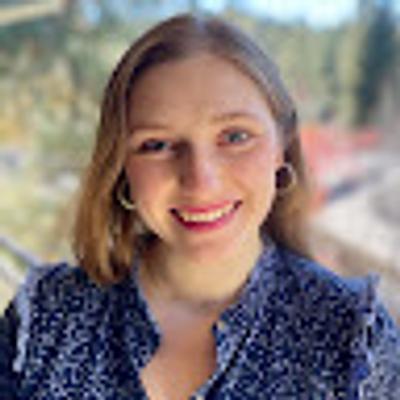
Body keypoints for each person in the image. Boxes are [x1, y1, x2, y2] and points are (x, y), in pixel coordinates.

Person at [1, 13, 400, 400]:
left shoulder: (352, 342)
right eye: (157, 144)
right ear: (121, 164)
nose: (200, 179)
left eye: (235, 136)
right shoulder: (44, 318)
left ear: (283, 145)